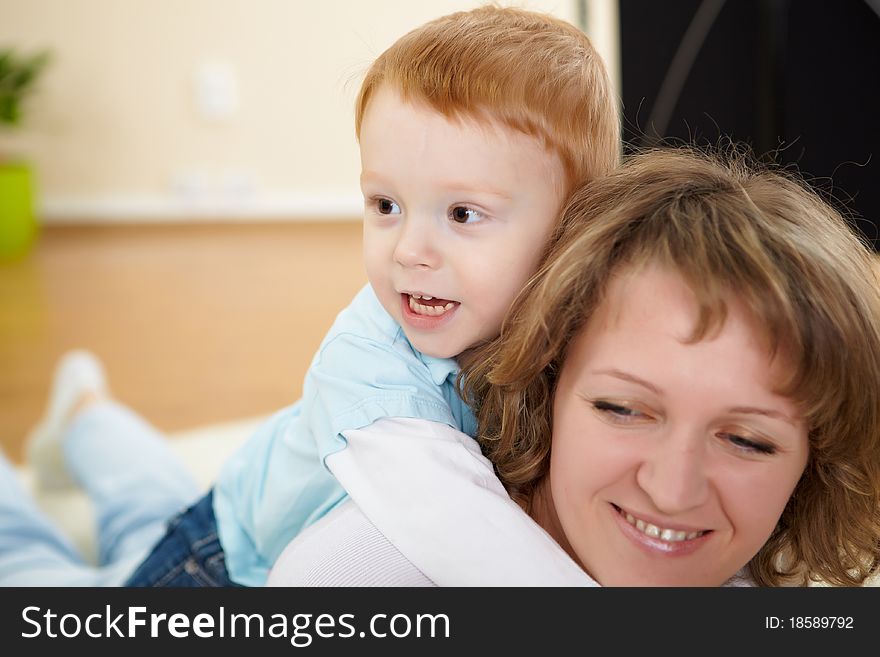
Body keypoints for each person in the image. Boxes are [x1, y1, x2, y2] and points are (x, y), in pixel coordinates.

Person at [2, 5, 619, 587]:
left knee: (146, 513)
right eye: (385, 205)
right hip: (221, 565)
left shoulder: (588, 326)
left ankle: (86, 413)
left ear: (575, 227)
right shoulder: (369, 367)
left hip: (240, 493)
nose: (408, 249)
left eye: (462, 213)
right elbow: (462, 529)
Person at [267, 147, 880, 587]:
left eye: (747, 441)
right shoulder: (363, 578)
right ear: (545, 382)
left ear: (815, 463)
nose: (672, 490)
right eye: (622, 409)